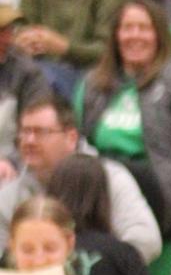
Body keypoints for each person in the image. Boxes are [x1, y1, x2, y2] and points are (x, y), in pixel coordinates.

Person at [74, 0, 171, 239]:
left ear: (159, 36)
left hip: (163, 192)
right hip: (103, 188)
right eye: (127, 28)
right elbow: (76, 143)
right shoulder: (92, 85)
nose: (135, 35)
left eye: (144, 28)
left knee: (128, 176)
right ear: (115, 36)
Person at [0, 93, 161, 263]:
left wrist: (96, 271)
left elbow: (146, 240)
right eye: (25, 132)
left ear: (71, 138)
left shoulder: (111, 177)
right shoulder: (10, 193)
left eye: (40, 132)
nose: (29, 140)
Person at [0, 0, 46, 172]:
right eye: (0, 31)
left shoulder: (26, 72)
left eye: (10, 29)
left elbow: (38, 131)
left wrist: (12, 162)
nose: (7, 39)